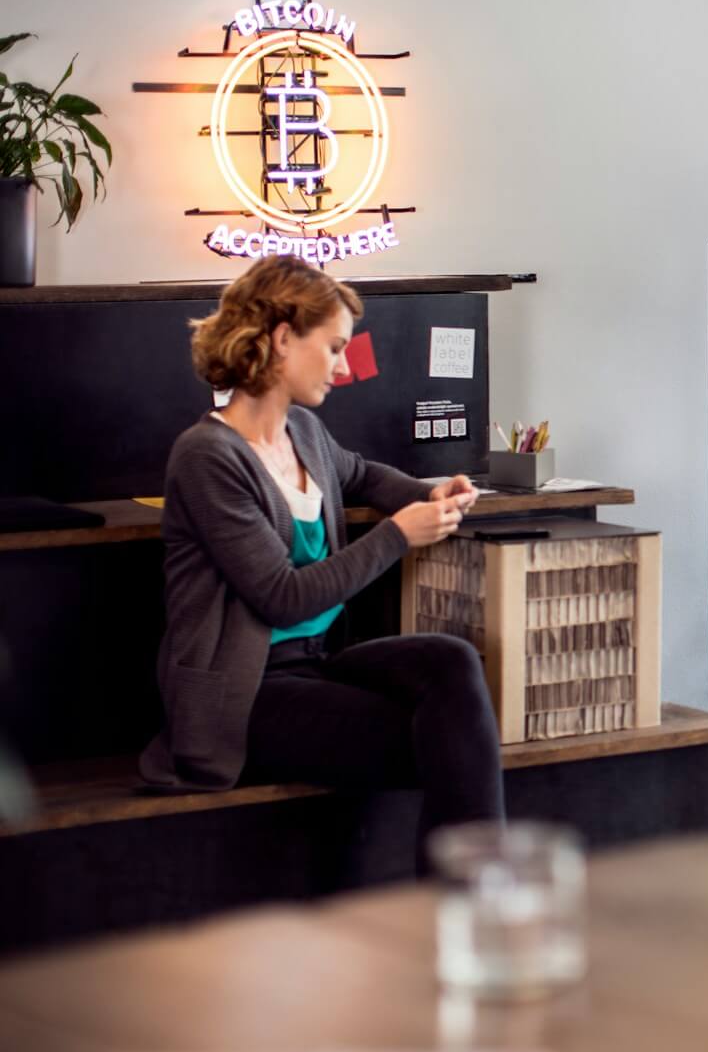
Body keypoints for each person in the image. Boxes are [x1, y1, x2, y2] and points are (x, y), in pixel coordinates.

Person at [139, 256, 504, 870]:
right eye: (333, 347)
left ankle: (464, 900)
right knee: (451, 741)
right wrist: (397, 535)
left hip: (317, 664)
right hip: (247, 695)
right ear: (283, 338)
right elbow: (282, 597)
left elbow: (362, 474)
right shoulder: (207, 457)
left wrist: (428, 495)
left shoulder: (304, 433)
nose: (343, 366)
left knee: (451, 664)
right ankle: (465, 903)